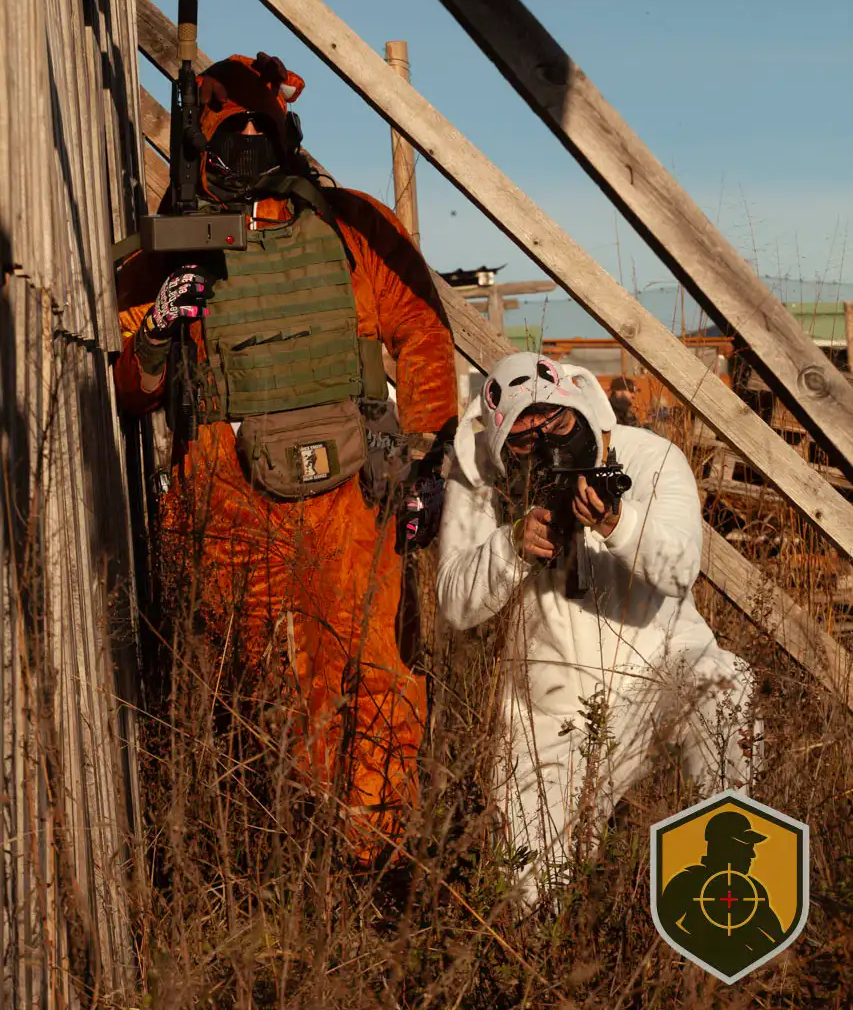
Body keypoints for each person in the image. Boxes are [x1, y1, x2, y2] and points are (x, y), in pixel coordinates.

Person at [114, 51, 458, 860]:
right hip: (229, 504)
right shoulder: (173, 244)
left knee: (371, 673)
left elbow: (422, 332)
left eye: (258, 131)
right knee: (260, 689)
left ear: (285, 134)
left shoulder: (350, 226)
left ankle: (369, 856)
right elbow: (131, 389)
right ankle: (290, 855)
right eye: (228, 132)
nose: (246, 148)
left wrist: (427, 457)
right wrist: (159, 328)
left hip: (351, 494)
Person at [436, 351, 761, 902]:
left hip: (662, 676)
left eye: (558, 423)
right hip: (549, 707)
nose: (549, 446)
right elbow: (454, 604)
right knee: (531, 894)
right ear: (502, 445)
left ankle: (726, 899)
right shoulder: (482, 481)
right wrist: (511, 545)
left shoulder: (650, 456)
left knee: (726, 688)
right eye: (525, 439)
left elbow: (680, 569)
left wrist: (617, 522)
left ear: (581, 407)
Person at [658, 810, 785, 976]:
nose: (752, 854)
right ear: (723, 845)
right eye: (746, 846)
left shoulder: (753, 890)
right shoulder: (689, 881)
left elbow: (777, 939)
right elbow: (662, 930)